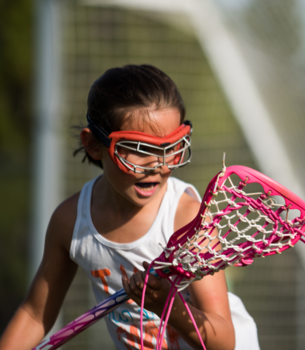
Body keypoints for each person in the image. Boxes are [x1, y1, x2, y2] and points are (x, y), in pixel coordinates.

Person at [0, 64, 259, 350]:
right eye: (139, 149)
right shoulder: (70, 221)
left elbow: (224, 341)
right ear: (93, 145)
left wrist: (167, 306)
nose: (157, 165)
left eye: (170, 148)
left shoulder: (187, 217)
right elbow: (35, 315)